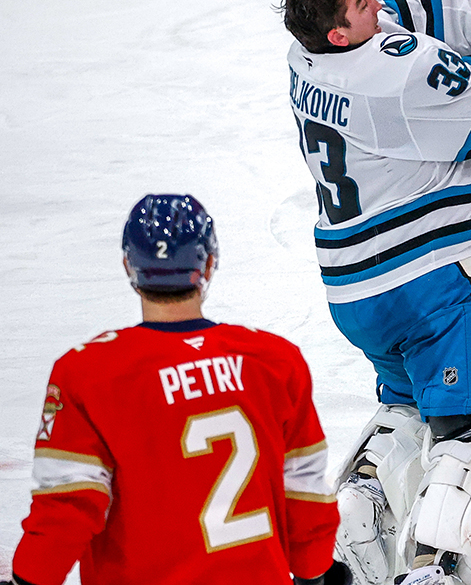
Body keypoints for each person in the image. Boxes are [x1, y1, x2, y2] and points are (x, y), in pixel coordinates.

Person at [279, 0, 471, 585]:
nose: (375, 8)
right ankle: (435, 563)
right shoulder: (393, 76)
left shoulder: (307, 56)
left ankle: (350, 525)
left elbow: (411, 6)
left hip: (357, 293)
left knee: (410, 407)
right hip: (432, 280)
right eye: (360, 6)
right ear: (337, 33)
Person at [5, 194, 344, 585]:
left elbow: (67, 507)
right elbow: (303, 485)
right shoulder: (274, 360)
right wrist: (313, 570)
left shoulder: (88, 372)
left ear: (129, 267)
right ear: (209, 265)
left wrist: (28, 579)